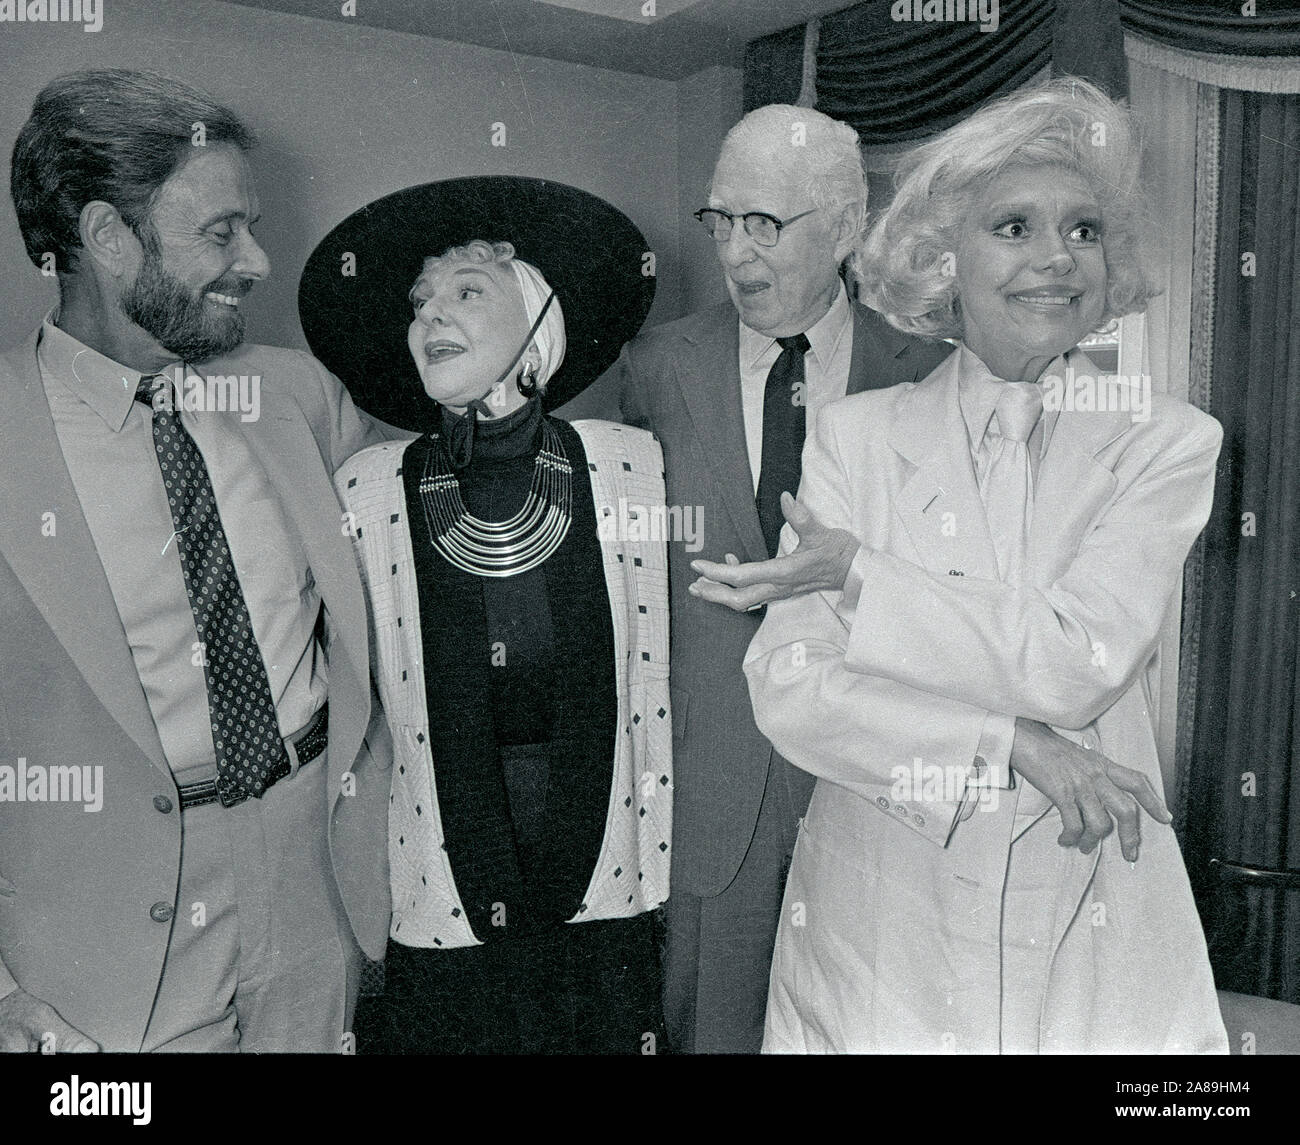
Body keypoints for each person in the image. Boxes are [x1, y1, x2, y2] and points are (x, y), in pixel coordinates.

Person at [724, 78, 1228, 1052]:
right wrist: (1008, 744)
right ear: (941, 254)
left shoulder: (1166, 443)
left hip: (1086, 907)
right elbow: (789, 686)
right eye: (1013, 225)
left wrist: (861, 573)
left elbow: (1070, 659)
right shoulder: (853, 437)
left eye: (1083, 229)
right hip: (878, 925)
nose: (1055, 258)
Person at [0, 69, 397, 1053]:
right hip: (92, 946)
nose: (258, 261)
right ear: (105, 236)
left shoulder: (298, 395)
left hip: (316, 886)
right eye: (220, 232)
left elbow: (421, 559)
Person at [558, 104, 950, 1053]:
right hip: (711, 783)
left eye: (765, 224)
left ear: (849, 227)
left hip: (876, 777)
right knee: (715, 1030)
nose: (735, 253)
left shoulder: (930, 373)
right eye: (720, 220)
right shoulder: (655, 367)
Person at [310, 179, 671, 1053]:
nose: (433, 312)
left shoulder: (635, 469)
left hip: (605, 897)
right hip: (441, 902)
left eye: (468, 290)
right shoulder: (367, 491)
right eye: (420, 301)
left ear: (540, 322)